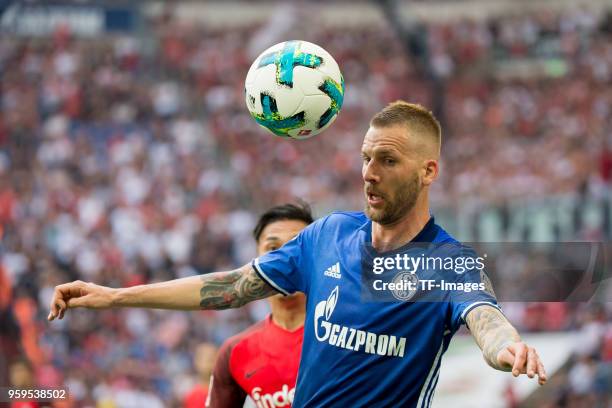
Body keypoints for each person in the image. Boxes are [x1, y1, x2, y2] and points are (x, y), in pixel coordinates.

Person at [49, 101, 547, 406]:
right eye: (366, 157)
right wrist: (114, 296)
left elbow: (484, 315)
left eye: (388, 159)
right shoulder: (327, 234)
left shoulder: (446, 261)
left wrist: (506, 348)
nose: (369, 172)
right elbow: (230, 287)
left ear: (428, 172)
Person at [206, 203, 312, 407]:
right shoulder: (235, 352)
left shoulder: (346, 332)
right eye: (273, 249)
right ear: (256, 261)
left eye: (297, 246)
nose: (285, 260)